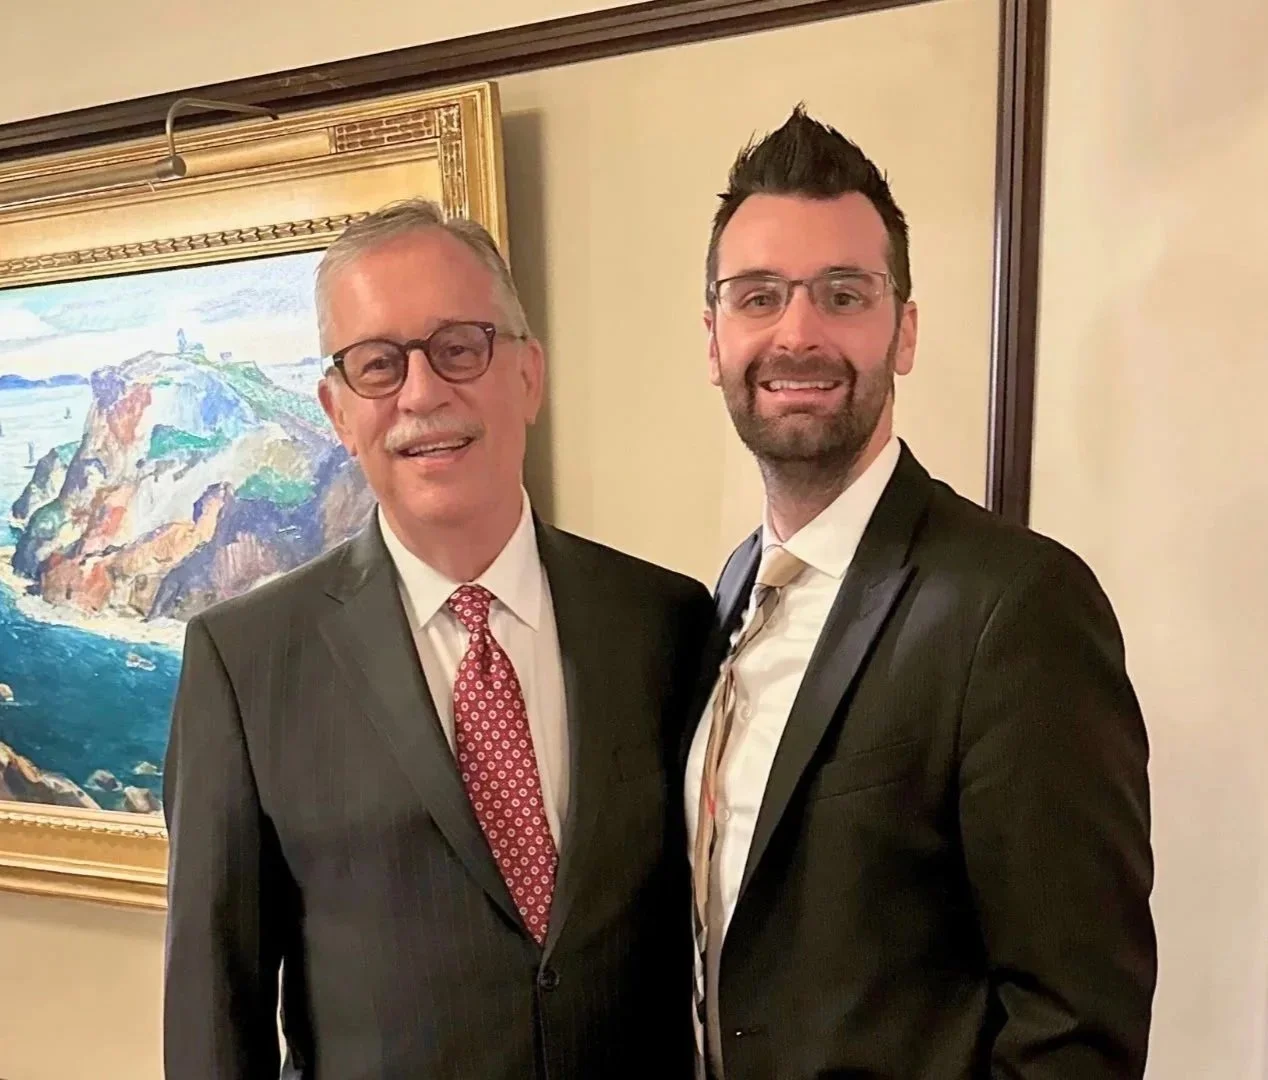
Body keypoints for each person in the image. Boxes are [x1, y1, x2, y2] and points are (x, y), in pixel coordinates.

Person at [162, 198, 713, 1078]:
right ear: (339, 411)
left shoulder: (666, 621)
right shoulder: (246, 663)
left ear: (529, 374)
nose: (422, 393)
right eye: (378, 365)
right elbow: (211, 1012)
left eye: (461, 347)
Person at [685, 106, 1156, 1079]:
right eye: (757, 295)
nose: (797, 333)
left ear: (901, 331)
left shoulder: (1016, 608)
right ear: (713, 337)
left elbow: (1075, 1029)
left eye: (843, 295)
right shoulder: (728, 592)